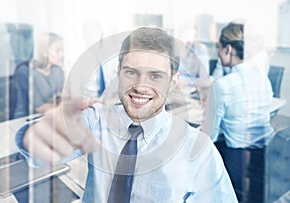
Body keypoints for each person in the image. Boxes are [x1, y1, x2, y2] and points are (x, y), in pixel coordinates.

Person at [15, 27, 237, 202]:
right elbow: (38, 152)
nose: (141, 86)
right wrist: (33, 138)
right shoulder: (96, 120)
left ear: (174, 80)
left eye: (156, 76)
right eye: (131, 72)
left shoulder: (199, 150)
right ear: (118, 72)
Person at [201, 22, 274, 203]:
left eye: (219, 47)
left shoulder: (223, 85)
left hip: (238, 161)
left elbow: (210, 135)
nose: (217, 52)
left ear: (229, 49)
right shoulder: (262, 78)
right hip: (266, 156)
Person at [14, 32, 64, 118]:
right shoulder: (25, 72)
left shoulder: (58, 71)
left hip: (50, 118)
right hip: (25, 121)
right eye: (57, 51)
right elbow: (40, 108)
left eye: (62, 50)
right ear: (44, 52)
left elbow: (63, 99)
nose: (61, 55)